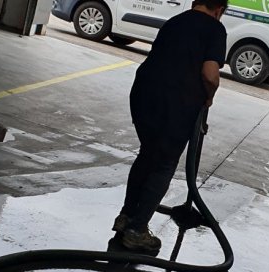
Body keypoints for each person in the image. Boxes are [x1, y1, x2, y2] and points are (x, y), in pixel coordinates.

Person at [112, 0, 228, 252]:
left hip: (143, 94)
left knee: (147, 154)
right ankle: (136, 229)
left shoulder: (175, 21)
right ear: (219, 9)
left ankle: (126, 216)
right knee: (164, 163)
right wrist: (209, 96)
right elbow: (210, 74)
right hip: (175, 103)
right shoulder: (215, 29)